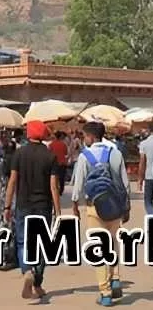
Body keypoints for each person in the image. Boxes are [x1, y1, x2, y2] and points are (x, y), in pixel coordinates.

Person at [71, 121, 130, 307]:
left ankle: (105, 293)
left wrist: (74, 205)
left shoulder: (84, 156)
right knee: (112, 244)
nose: (84, 139)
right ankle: (116, 278)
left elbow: (78, 185)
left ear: (91, 136)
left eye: (84, 136)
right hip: (115, 206)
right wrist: (126, 207)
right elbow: (125, 183)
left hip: (94, 207)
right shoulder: (116, 153)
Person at [3, 120, 60, 301]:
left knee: (22, 241)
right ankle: (37, 282)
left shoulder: (19, 154)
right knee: (43, 244)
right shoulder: (50, 156)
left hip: (23, 205)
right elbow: (54, 187)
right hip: (43, 206)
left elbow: (12, 181)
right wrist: (58, 211)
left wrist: (7, 206)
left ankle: (27, 270)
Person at [0, 139, 18, 271]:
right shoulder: (17, 165)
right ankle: (10, 258)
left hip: (2, 201)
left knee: (0, 228)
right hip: (13, 201)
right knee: (12, 230)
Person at [47, 131, 69, 195]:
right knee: (61, 178)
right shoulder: (63, 144)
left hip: (54, 163)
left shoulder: (51, 145)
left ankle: (54, 190)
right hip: (62, 163)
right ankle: (61, 191)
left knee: (54, 177)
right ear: (61, 137)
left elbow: (49, 154)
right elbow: (66, 153)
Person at [138, 128, 153, 216]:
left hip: (149, 177)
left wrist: (140, 180)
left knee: (148, 203)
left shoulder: (144, 143)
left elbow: (142, 163)